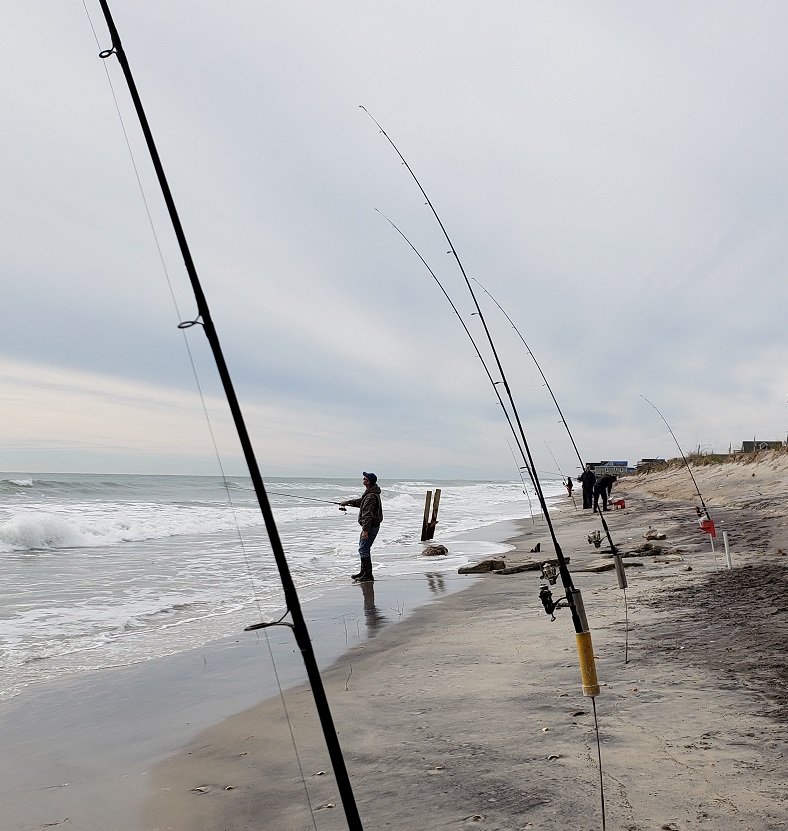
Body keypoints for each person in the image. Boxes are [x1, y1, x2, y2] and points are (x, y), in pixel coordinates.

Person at [339, 472, 383, 582]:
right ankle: (364, 572)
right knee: (363, 549)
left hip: (370, 527)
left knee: (364, 549)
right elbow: (361, 502)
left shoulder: (371, 496)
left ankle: (368, 575)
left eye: (364, 478)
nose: (363, 479)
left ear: (368, 482)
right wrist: (348, 502)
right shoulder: (370, 493)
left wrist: (365, 531)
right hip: (371, 526)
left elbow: (367, 515)